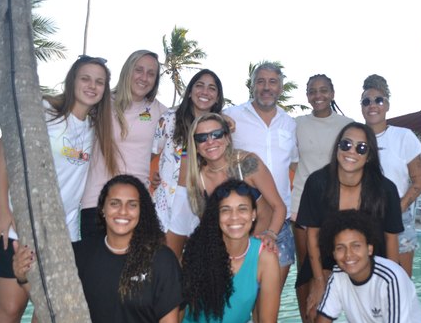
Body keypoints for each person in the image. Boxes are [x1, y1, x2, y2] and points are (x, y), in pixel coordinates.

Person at [0, 55, 112, 323]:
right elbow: (3, 151)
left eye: (99, 81)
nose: (92, 86)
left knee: (47, 311)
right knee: (9, 308)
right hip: (17, 227)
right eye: (86, 78)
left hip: (63, 235)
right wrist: (1, 209)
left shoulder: (97, 129)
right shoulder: (45, 111)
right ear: (72, 80)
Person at [14, 175, 183, 323]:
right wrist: (22, 277)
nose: (123, 211)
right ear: (102, 209)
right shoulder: (77, 255)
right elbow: (48, 303)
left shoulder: (160, 258)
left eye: (132, 205)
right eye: (114, 203)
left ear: (141, 211)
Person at [293, 210, 421, 323]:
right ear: (334, 253)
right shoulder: (338, 276)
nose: (348, 255)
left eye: (356, 246)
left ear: (369, 248)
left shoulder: (391, 278)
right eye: (340, 248)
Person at [295, 121, 403, 323]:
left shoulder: (385, 189)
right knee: (314, 307)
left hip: (371, 259)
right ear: (337, 148)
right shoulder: (318, 182)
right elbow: (312, 235)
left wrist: (391, 282)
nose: (351, 152)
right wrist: (318, 280)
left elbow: (391, 239)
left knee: (382, 316)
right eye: (346, 144)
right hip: (326, 257)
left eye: (361, 148)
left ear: (370, 155)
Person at [177, 179, 292, 323]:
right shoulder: (197, 253)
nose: (235, 217)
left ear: (254, 214)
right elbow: (174, 310)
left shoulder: (264, 257)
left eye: (242, 209)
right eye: (226, 210)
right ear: (217, 216)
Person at [164, 112, 286, 258]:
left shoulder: (247, 164)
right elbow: (209, 223)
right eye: (201, 138)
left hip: (269, 238)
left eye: (217, 134)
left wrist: (271, 235)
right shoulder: (198, 179)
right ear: (196, 146)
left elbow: (279, 206)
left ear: (227, 138)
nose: (210, 141)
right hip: (233, 249)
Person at [223, 62, 298, 289]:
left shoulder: (290, 123)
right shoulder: (230, 117)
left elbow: (294, 164)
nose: (266, 87)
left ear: (281, 88)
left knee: (271, 306)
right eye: (261, 81)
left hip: (280, 224)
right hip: (242, 223)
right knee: (240, 302)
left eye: (272, 81)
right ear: (252, 86)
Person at [80, 50, 168, 242]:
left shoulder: (161, 112)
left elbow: (191, 130)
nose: (144, 78)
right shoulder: (101, 102)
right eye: (139, 70)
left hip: (136, 206)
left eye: (151, 73)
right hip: (95, 201)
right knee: (93, 269)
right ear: (128, 70)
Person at [291, 74, 353, 323]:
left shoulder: (347, 124)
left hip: (337, 206)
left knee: (334, 267)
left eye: (323, 90)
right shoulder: (297, 124)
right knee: (306, 269)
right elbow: (290, 160)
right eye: (313, 91)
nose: (318, 95)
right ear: (307, 95)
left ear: (332, 93)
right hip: (301, 203)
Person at [152, 69, 225, 253]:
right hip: (174, 198)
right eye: (199, 85)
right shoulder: (169, 119)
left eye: (211, 88)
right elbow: (155, 152)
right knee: (168, 258)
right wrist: (155, 177)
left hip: (206, 201)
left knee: (197, 264)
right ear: (190, 91)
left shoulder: (221, 127)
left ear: (217, 97)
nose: (204, 92)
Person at [361, 74, 421, 277]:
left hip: (398, 217)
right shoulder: (356, 138)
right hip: (364, 217)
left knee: (401, 280)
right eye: (366, 101)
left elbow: (419, 180)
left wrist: (399, 207)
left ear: (387, 105)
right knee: (369, 280)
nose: (373, 105)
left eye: (379, 100)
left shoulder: (404, 136)